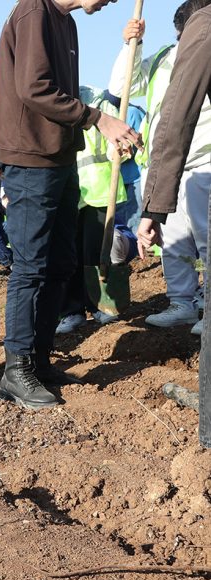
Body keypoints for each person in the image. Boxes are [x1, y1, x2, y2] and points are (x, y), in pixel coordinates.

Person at [0, 0, 140, 410]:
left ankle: (40, 360)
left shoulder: (66, 23)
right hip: (31, 159)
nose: (109, 1)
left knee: (60, 264)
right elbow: (34, 88)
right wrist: (99, 120)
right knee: (31, 266)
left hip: (59, 159)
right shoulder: (33, 11)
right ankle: (16, 370)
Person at [138, 3, 211, 449]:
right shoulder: (160, 58)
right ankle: (187, 302)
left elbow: (178, 115)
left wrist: (153, 205)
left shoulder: (203, 27)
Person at [116, 1, 211, 334]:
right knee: (173, 240)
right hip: (168, 166)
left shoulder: (204, 43)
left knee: (205, 237)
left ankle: (206, 308)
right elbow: (120, 86)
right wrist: (133, 45)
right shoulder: (162, 57)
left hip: (202, 158)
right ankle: (182, 302)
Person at [55, 86, 141, 335]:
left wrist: (122, 150)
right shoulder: (59, 104)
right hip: (70, 192)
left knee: (95, 252)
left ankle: (99, 305)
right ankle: (72, 311)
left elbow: (123, 144)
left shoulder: (101, 104)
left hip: (101, 190)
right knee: (68, 254)